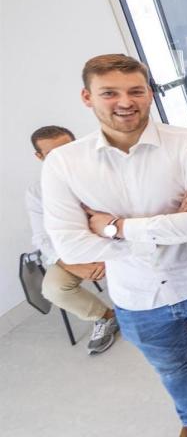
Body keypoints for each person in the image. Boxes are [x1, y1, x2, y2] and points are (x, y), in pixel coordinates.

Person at [41, 54, 187, 437]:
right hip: (137, 294)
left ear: (149, 94)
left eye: (135, 91)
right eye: (109, 93)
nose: (125, 102)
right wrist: (162, 228)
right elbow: (72, 246)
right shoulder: (64, 164)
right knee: (171, 366)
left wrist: (112, 228)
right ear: (87, 97)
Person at [28, 125, 119, 355]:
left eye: (68, 149)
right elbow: (41, 237)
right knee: (54, 289)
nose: (64, 159)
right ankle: (106, 316)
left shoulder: (106, 171)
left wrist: (108, 254)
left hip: (114, 239)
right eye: (52, 155)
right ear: (39, 157)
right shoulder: (37, 192)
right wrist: (72, 265)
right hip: (74, 251)